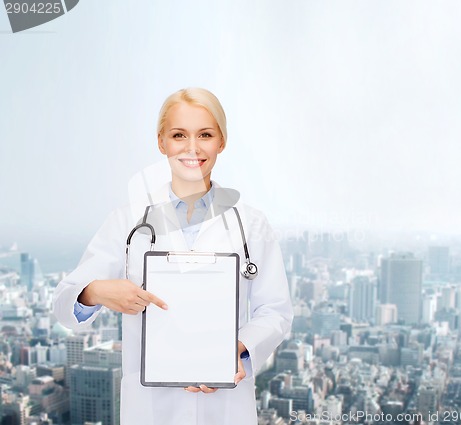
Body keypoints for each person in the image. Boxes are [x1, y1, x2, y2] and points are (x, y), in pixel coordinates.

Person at [53, 87, 293, 425]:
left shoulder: (251, 224)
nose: (192, 147)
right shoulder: (127, 221)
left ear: (221, 142)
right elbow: (65, 304)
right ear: (161, 142)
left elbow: (276, 311)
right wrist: (97, 292)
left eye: (205, 135)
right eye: (179, 135)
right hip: (151, 410)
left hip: (224, 407)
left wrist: (237, 348)